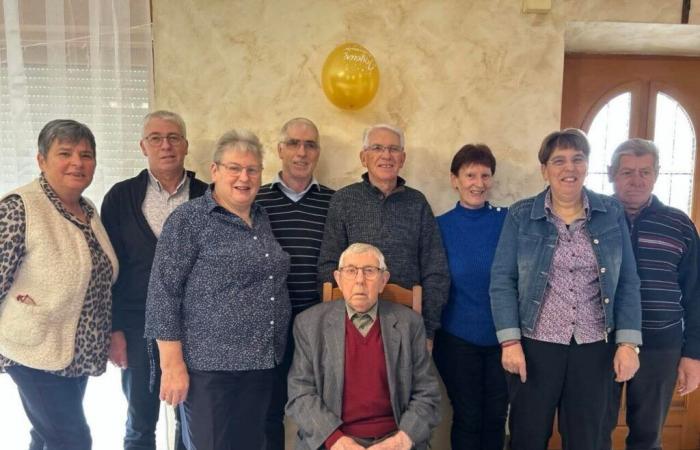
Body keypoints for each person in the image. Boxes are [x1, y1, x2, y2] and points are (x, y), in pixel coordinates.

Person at [489, 128, 642, 450]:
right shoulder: (521, 215)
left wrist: (628, 343)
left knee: (590, 439)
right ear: (544, 170)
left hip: (594, 346)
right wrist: (510, 342)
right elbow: (502, 280)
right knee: (527, 437)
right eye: (558, 161)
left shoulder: (610, 213)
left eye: (577, 159)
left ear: (587, 165)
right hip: (535, 346)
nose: (568, 168)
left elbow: (627, 280)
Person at [144, 129, 290, 449]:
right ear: (215, 171)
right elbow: (162, 293)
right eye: (234, 168)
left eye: (252, 169)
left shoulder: (261, 217)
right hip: (209, 370)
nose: (244, 177)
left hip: (260, 363)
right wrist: (172, 365)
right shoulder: (189, 219)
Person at [0, 119, 119, 449]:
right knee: (72, 439)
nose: (77, 162)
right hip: (33, 349)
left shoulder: (87, 210)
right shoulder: (19, 207)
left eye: (86, 154)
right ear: (41, 160)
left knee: (47, 436)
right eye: (65, 153)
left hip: (75, 353)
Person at [101, 110, 207, 450]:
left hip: (195, 328)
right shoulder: (120, 198)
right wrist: (114, 330)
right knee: (139, 421)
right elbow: (109, 269)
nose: (166, 145)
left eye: (174, 137)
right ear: (142, 146)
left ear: (186, 145)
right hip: (136, 327)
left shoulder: (210, 196)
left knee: (189, 420)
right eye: (156, 138)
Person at [287, 243, 441, 450]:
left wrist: (401, 440)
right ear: (339, 280)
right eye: (350, 271)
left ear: (383, 281)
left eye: (370, 271)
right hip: (335, 439)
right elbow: (300, 394)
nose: (360, 280)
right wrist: (336, 440)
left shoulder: (409, 324)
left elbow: (427, 393)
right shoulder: (309, 324)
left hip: (394, 438)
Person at [600, 138, 700, 450]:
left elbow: (696, 294)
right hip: (600, 345)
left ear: (656, 174)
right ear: (611, 174)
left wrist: (693, 355)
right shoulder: (596, 220)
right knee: (592, 432)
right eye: (627, 172)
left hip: (661, 346)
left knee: (647, 438)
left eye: (645, 171)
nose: (637, 179)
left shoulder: (679, 224)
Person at [317, 124, 449, 347]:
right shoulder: (343, 201)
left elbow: (435, 271)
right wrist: (340, 323)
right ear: (363, 157)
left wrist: (427, 330)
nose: (386, 155)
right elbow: (328, 266)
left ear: (403, 158)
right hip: (351, 324)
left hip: (408, 326)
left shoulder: (418, 203)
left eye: (393, 149)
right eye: (377, 148)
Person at [255, 117, 335, 450]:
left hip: (321, 328)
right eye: (293, 143)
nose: (302, 152)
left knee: (321, 413)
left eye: (310, 144)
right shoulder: (256, 200)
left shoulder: (335, 202)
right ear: (280, 150)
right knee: (268, 413)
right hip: (268, 327)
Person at [434, 144, 508, 450]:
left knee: (496, 418)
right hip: (456, 340)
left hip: (504, 340)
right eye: (470, 175)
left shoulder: (508, 221)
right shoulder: (440, 226)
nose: (478, 183)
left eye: (485, 175)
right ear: (455, 180)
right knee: (467, 417)